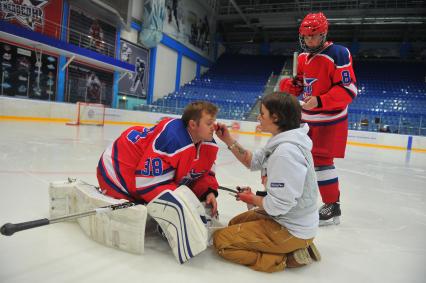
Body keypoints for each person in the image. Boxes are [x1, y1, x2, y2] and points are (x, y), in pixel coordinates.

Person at [96, 101, 220, 263]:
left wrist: (208, 190)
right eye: (209, 123)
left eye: (214, 122)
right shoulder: (172, 139)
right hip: (117, 170)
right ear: (193, 124)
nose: (214, 127)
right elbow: (146, 182)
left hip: (139, 169)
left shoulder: (206, 142)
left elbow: (201, 171)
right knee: (176, 199)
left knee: (187, 199)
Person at [213, 92, 320, 273]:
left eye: (262, 114)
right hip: (286, 219)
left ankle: (285, 258)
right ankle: (293, 246)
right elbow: (252, 161)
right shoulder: (282, 141)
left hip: (291, 229)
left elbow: (279, 205)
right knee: (234, 223)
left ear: (276, 117)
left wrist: (252, 198)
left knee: (221, 241)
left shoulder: (286, 153)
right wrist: (228, 140)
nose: (258, 117)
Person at [279, 12, 357, 225]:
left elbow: (348, 89)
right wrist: (292, 86)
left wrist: (321, 101)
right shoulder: (303, 57)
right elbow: (303, 85)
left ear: (324, 34)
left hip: (330, 119)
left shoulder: (339, 53)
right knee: (300, 160)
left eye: (313, 36)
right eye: (305, 37)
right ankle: (300, 200)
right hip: (306, 119)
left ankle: (333, 205)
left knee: (322, 162)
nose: (309, 41)